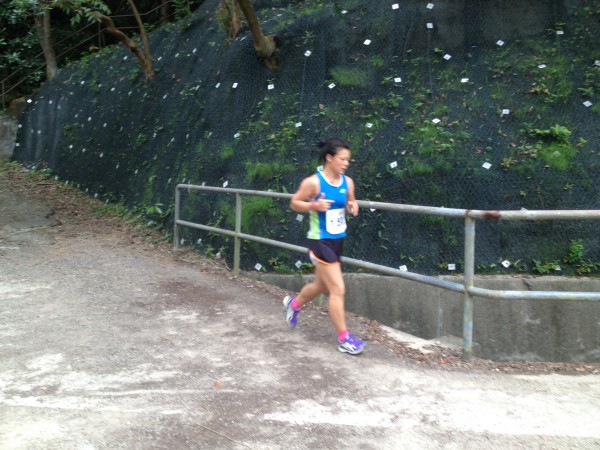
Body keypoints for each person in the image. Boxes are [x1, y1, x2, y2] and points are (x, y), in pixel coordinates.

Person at [283, 138, 366, 355]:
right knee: (337, 289)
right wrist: (314, 205)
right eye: (342, 159)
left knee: (321, 285)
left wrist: (353, 205)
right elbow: (294, 203)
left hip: (338, 240)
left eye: (348, 160)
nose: (346, 163)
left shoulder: (348, 182)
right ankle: (344, 339)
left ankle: (294, 304)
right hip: (320, 241)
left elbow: (350, 202)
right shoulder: (313, 182)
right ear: (329, 158)